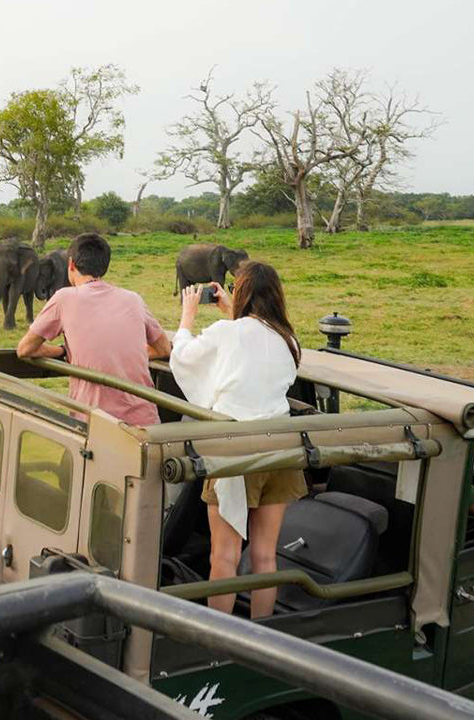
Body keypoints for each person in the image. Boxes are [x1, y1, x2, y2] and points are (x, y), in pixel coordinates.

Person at [169, 261, 303, 618]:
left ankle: (220, 639)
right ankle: (261, 633)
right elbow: (252, 350)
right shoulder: (289, 339)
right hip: (280, 448)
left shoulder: (225, 333)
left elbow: (183, 358)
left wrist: (188, 316)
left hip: (235, 452)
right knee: (264, 556)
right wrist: (233, 312)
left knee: (223, 556)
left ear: (240, 292)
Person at [16, 233, 171, 426]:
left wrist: (61, 351)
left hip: (95, 424)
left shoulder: (64, 298)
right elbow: (164, 349)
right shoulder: (133, 298)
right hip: (146, 421)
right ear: (104, 267)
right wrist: (124, 356)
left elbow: (24, 349)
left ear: (70, 264)